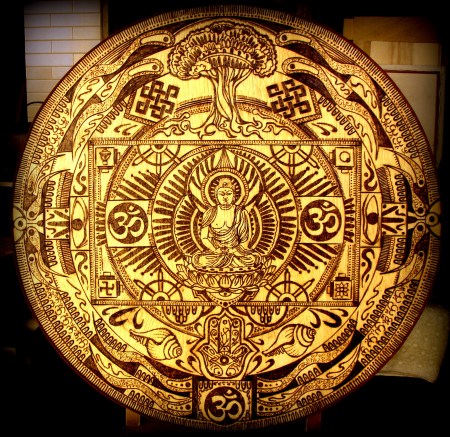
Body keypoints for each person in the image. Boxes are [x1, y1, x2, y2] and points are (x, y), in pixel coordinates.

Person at [192, 177, 260, 269]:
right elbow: (204, 237)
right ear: (216, 196)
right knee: (199, 260)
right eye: (221, 194)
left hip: (236, 252)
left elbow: (245, 240)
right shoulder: (209, 213)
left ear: (234, 196)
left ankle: (227, 262)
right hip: (216, 252)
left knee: (252, 259)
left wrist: (233, 250)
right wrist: (216, 249)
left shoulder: (241, 213)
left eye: (229, 193)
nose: (225, 197)